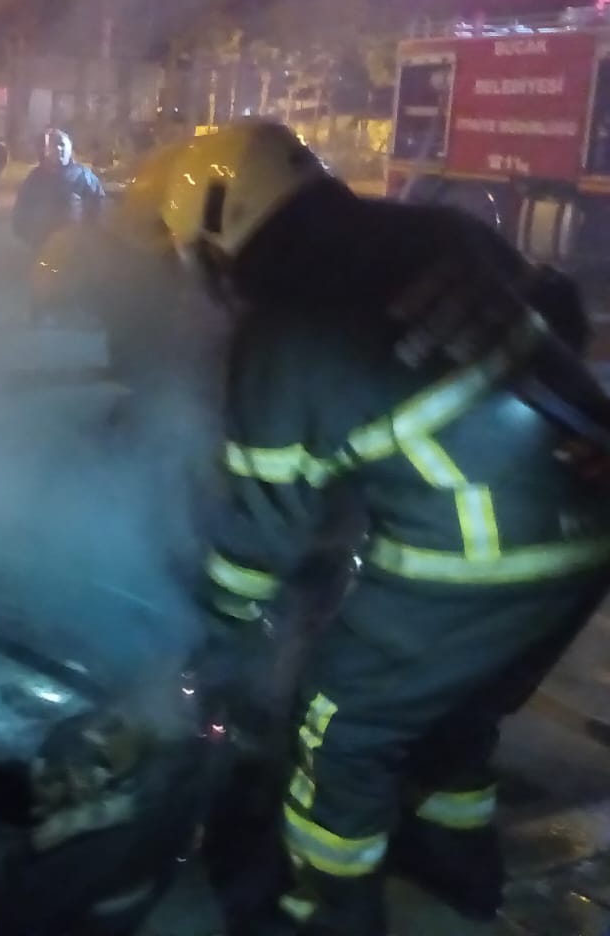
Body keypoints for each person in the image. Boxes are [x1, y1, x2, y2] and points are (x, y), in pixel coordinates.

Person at [152, 120, 610, 936]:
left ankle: (328, 916)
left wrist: (212, 631)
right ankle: (459, 885)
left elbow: (264, 535)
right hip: (589, 529)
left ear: (223, 231)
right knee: (455, 718)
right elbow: (558, 313)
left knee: (337, 737)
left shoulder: (282, 331)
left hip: (474, 564)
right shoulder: (438, 232)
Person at [12, 127, 104, 248]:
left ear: (70, 147)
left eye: (62, 144)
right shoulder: (35, 178)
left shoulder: (84, 176)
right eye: (53, 145)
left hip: (73, 246)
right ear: (46, 150)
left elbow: (98, 203)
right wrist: (27, 234)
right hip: (42, 242)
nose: (58, 149)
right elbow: (22, 208)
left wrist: (88, 232)